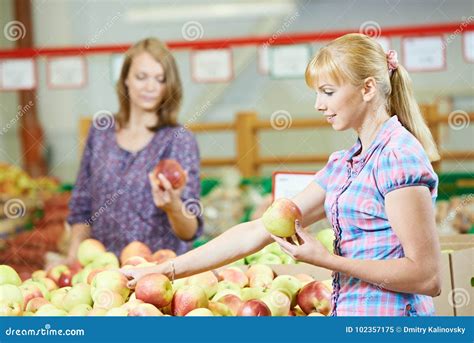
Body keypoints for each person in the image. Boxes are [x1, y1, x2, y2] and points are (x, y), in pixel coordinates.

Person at [121, 33, 442, 316]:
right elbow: (256, 232)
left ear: (368, 88)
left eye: (328, 92)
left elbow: (426, 276)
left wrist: (326, 259)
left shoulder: (398, 156)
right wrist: (166, 269)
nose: (318, 104)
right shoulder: (345, 164)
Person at [64, 38, 203, 262]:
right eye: (141, 77)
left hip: (159, 272)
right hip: (103, 271)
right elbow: (82, 203)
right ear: (126, 79)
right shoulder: (101, 131)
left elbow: (190, 230)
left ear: (169, 86)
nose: (150, 87)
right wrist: (75, 251)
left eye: (160, 79)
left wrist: (173, 206)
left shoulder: (178, 139)